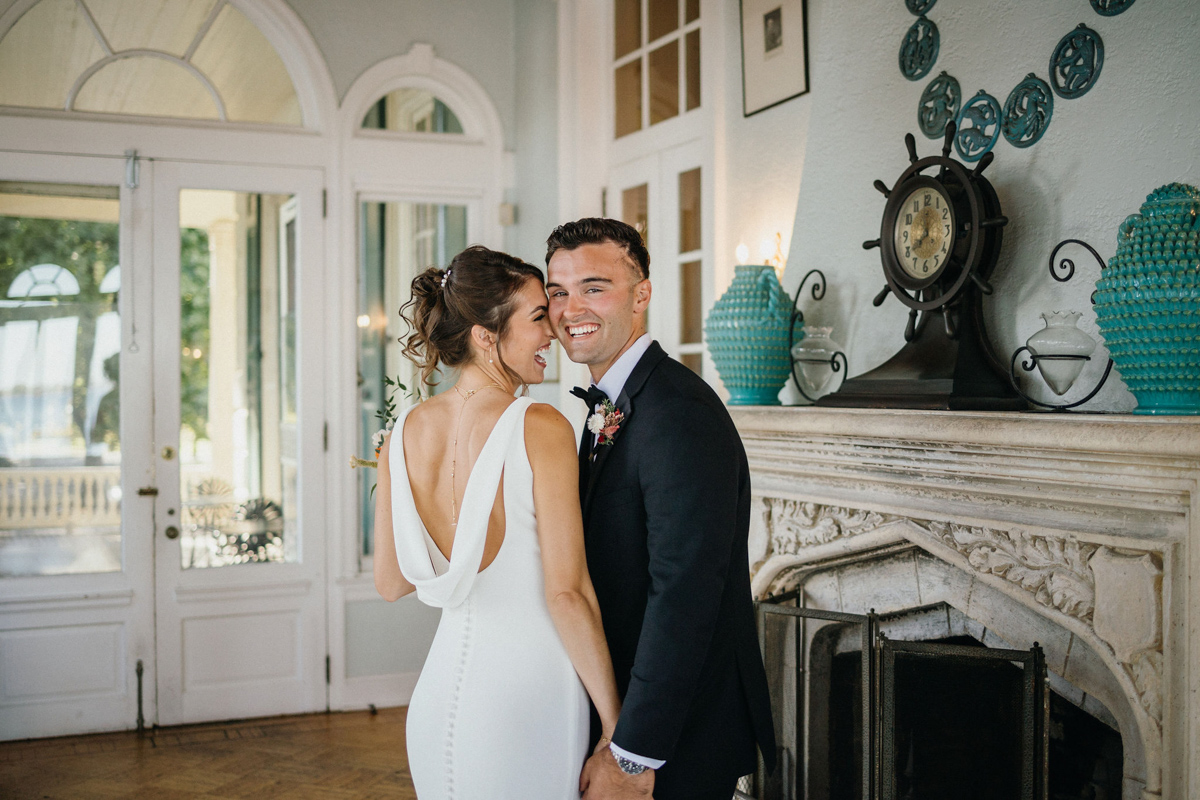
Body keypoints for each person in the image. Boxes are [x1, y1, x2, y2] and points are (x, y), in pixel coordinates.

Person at [372, 245, 622, 799]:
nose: (551, 334)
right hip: (528, 702)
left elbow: (390, 583)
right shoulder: (540, 425)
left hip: (437, 705)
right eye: (537, 318)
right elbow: (567, 593)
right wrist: (615, 723)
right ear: (486, 336)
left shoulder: (403, 433)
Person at [545, 219, 777, 800]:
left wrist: (631, 754)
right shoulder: (615, 404)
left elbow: (685, 592)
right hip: (629, 711)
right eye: (557, 291)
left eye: (594, 287)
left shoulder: (678, 411)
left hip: (676, 737)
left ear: (641, 294)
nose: (571, 308)